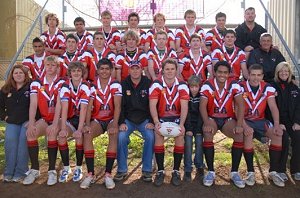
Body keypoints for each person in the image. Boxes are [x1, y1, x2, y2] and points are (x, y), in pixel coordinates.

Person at [200, 61, 245, 188]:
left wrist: (239, 124)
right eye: (220, 72)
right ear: (214, 72)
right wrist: (206, 122)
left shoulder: (234, 84)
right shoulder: (207, 85)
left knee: (239, 135)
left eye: (225, 72)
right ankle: (210, 171)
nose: (222, 75)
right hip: (212, 118)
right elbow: (202, 106)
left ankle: (234, 172)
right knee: (207, 132)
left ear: (229, 73)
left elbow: (241, 105)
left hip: (227, 119)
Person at [23, 56, 65, 186]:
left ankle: (52, 170)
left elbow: (60, 104)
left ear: (58, 68)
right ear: (44, 66)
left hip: (58, 118)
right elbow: (33, 104)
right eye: (48, 65)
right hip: (44, 118)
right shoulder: (36, 83)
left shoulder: (62, 82)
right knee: (31, 133)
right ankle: (35, 169)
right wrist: (31, 124)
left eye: (53, 65)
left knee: (52, 133)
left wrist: (54, 123)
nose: (50, 67)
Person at [240, 64, 284, 187]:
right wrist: (244, 125)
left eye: (259, 75)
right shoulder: (240, 87)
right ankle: (250, 172)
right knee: (248, 134)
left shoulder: (267, 88)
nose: (256, 78)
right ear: (248, 75)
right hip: (245, 120)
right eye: (253, 74)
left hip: (260, 120)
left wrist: (276, 124)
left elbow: (273, 107)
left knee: (277, 135)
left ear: (263, 76)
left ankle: (273, 171)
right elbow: (236, 108)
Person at [80, 58, 121, 189]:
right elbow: (88, 106)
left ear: (111, 70)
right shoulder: (92, 86)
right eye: (101, 69)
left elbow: (118, 106)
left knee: (114, 135)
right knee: (87, 134)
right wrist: (86, 124)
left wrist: (115, 125)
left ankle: (108, 174)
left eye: (107, 69)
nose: (104, 71)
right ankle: (90, 174)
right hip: (97, 120)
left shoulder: (115, 84)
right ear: (97, 70)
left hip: (111, 119)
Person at [149, 58, 189, 186]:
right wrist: (156, 121)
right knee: (158, 134)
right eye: (167, 69)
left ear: (176, 70)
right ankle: (160, 170)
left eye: (172, 69)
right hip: (161, 118)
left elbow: (184, 107)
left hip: (177, 118)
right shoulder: (156, 84)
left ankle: (176, 171)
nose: (170, 71)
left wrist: (182, 124)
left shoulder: (182, 85)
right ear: (163, 70)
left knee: (180, 136)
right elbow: (152, 105)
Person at [114, 61, 154, 183]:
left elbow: (153, 104)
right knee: (121, 137)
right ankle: (122, 169)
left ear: (141, 69)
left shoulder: (148, 83)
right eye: (133, 68)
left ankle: (147, 169)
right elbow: (120, 106)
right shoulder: (124, 84)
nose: (135, 71)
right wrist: (121, 122)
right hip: (128, 120)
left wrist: (152, 121)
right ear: (129, 70)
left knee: (150, 137)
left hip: (144, 119)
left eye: (138, 68)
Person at [58, 61, 90, 183]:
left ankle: (78, 167)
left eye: (79, 70)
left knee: (79, 137)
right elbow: (64, 108)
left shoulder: (85, 85)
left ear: (82, 73)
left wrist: (79, 129)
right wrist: (63, 128)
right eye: (73, 71)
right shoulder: (65, 86)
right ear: (69, 73)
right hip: (70, 119)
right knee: (61, 137)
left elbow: (84, 109)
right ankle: (66, 168)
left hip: (82, 119)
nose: (76, 73)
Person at [0, 65, 31, 182]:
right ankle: (9, 172)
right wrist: (4, 117)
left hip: (26, 122)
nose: (18, 75)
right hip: (12, 121)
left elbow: (37, 106)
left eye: (21, 73)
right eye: (16, 73)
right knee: (10, 142)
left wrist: (33, 120)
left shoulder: (31, 87)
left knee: (23, 142)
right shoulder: (5, 89)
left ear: (25, 75)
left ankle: (21, 172)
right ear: (12, 75)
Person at [271, 62, 300, 182]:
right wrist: (277, 123)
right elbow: (269, 108)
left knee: (298, 137)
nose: (284, 73)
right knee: (284, 138)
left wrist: (297, 122)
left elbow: (299, 106)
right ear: (277, 73)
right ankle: (280, 170)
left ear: (289, 74)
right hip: (278, 120)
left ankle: (296, 169)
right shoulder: (272, 86)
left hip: (292, 120)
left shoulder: (294, 87)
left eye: (286, 71)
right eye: (281, 71)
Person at [183, 75, 204, 182]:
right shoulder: (186, 96)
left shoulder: (202, 96)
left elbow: (202, 113)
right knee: (188, 142)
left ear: (199, 87)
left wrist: (199, 130)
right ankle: (187, 167)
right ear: (188, 87)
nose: (194, 89)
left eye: (196, 87)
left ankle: (199, 165)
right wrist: (189, 128)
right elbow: (186, 114)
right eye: (192, 87)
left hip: (199, 124)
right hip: (188, 125)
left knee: (200, 142)